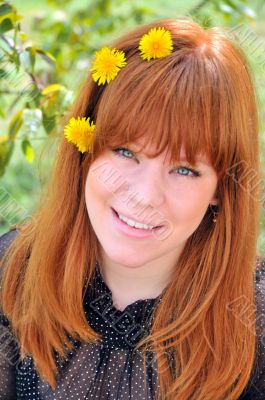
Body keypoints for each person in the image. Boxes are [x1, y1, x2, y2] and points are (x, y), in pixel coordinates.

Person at [0, 16, 265, 400]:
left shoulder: (253, 321)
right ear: (86, 149)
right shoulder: (14, 272)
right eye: (126, 152)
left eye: (185, 169)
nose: (145, 195)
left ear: (222, 188)